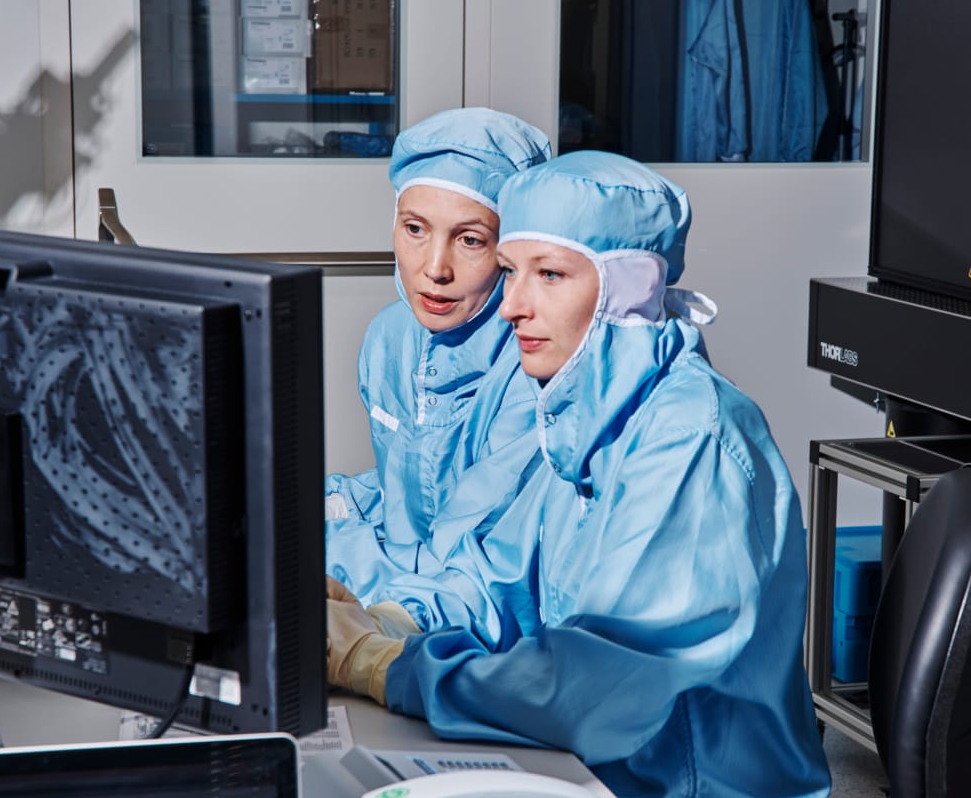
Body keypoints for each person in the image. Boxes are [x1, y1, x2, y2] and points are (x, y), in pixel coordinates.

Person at [326, 151, 832, 797]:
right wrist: (391, 617)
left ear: (628, 289)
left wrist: (387, 665)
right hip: (595, 770)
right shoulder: (584, 418)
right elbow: (498, 577)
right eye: (511, 271)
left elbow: (596, 689)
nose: (512, 306)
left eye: (551, 275)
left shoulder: (689, 439)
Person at [325, 108, 551, 615]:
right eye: (415, 229)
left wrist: (329, 555)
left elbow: (471, 561)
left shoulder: (534, 365)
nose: (434, 269)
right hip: (402, 596)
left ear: (511, 248)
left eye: (470, 240)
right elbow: (410, 490)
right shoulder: (388, 337)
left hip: (473, 635)